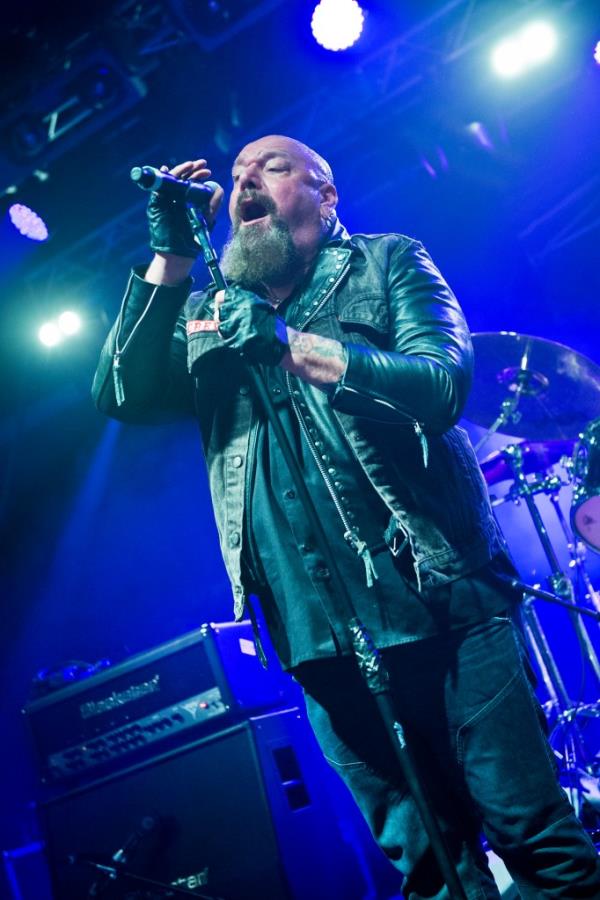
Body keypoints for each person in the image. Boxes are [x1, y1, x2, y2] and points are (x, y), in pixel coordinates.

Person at [92, 135, 600, 899]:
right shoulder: (210, 312)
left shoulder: (387, 261)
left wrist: (293, 347)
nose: (244, 182)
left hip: (445, 608)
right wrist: (169, 256)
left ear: (327, 197)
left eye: (272, 167)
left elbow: (440, 385)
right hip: (314, 633)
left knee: (535, 839)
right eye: (236, 177)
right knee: (430, 871)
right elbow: (122, 392)